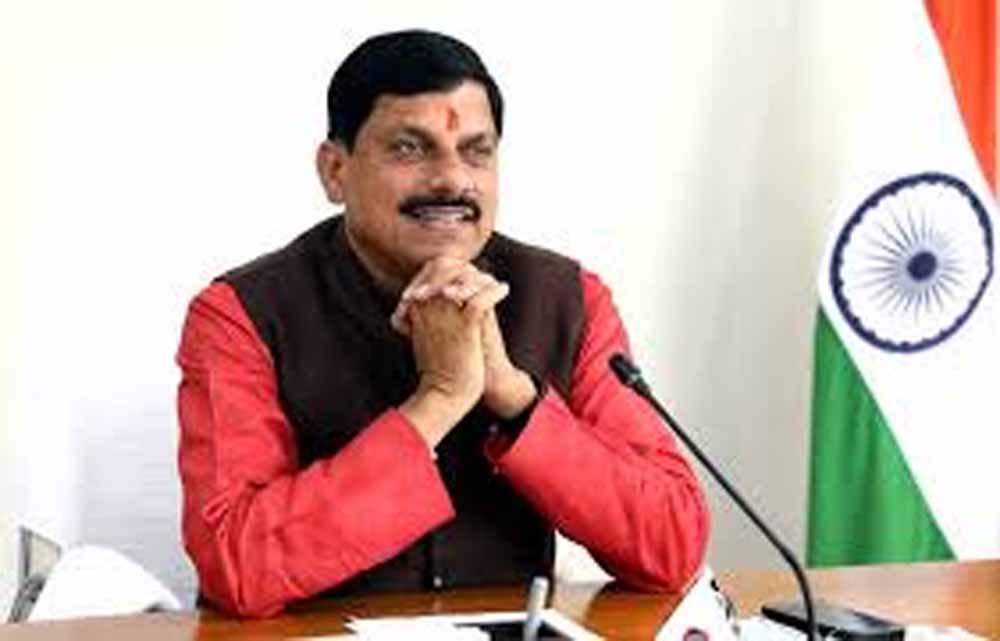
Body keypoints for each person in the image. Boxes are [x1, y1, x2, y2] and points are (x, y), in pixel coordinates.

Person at [176, 29, 709, 619]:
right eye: (410, 149)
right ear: (334, 170)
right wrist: (439, 400)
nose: (453, 180)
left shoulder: (569, 299)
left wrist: (514, 396)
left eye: (476, 152)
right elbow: (236, 566)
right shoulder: (241, 315)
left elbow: (672, 546)